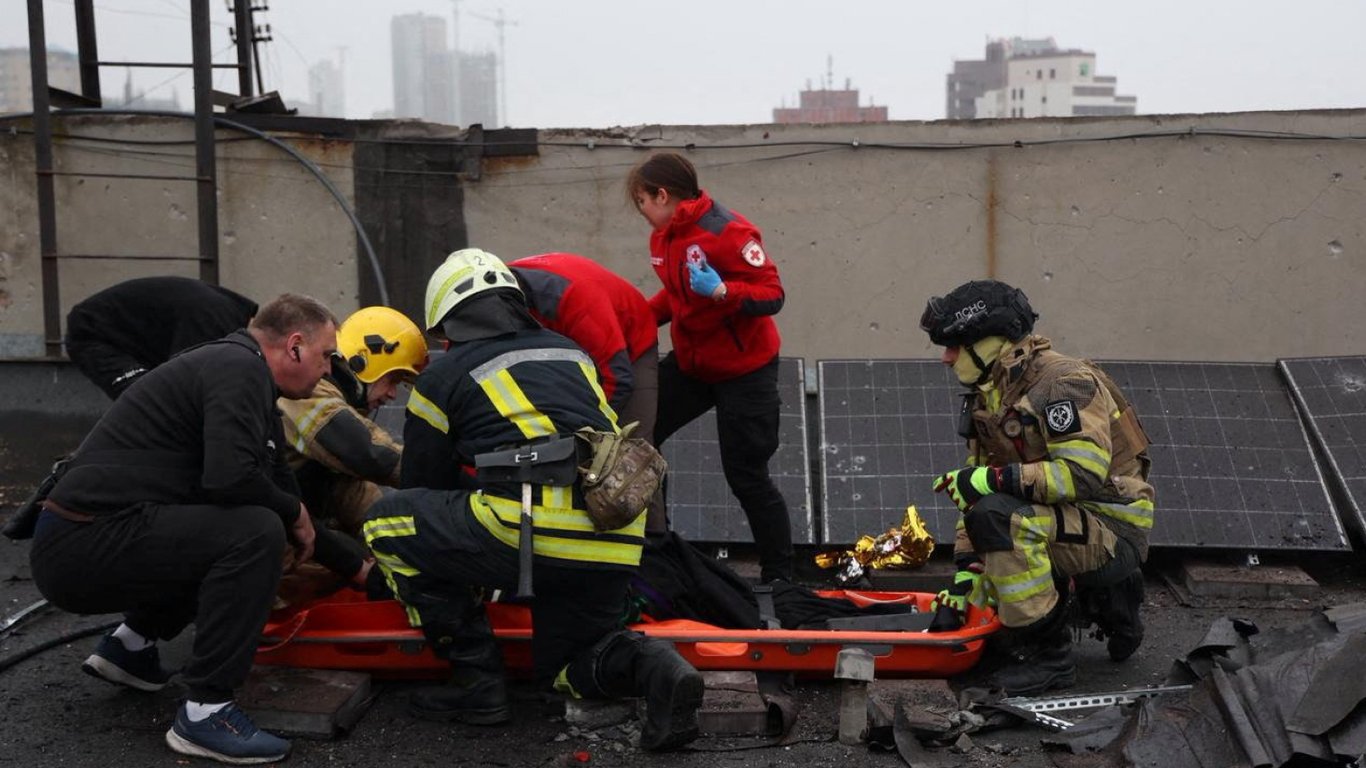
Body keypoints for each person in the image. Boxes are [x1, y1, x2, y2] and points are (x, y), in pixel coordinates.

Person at [362, 248, 703, 751]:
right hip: (614, 533)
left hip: (528, 530)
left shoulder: (443, 376)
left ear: (450, 321)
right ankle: (659, 669)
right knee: (568, 666)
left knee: (387, 523)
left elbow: (423, 485)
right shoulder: (571, 353)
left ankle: (477, 685)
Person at [30, 293, 371, 765]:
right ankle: (206, 711)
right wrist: (291, 512)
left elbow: (284, 496)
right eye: (327, 355)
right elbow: (231, 479)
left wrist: (360, 569)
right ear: (294, 346)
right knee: (254, 531)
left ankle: (130, 647)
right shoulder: (237, 368)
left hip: (85, 540)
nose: (329, 370)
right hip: (80, 543)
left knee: (242, 524)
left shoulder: (246, 380)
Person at [921, 279, 1154, 696]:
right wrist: (964, 579)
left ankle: (1049, 659)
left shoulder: (1063, 383)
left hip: (1112, 528)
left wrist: (994, 480)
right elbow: (975, 497)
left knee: (1003, 522)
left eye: (955, 346)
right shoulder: (991, 395)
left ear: (991, 342)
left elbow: (1081, 475)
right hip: (1064, 522)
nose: (946, 358)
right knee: (992, 525)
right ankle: (1110, 598)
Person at [625, 152, 793, 583]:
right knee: (641, 438)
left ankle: (780, 576)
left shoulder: (728, 232)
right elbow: (675, 294)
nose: (641, 211)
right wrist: (638, 320)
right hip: (693, 364)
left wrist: (723, 292)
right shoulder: (663, 237)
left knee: (746, 474)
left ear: (662, 196)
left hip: (745, 370)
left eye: (642, 201)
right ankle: (659, 548)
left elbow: (772, 294)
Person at [507, 252, 664, 530]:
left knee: (630, 455)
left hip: (628, 347)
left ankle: (652, 543)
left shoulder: (575, 299)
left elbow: (618, 378)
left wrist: (586, 434)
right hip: (566, 346)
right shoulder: (482, 305)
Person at [279, 306, 427, 537]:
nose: (392, 395)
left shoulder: (332, 402)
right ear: (363, 363)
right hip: (278, 537)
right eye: (392, 380)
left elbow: (354, 493)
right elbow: (368, 454)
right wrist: (440, 474)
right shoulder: (309, 396)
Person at [64, 276, 258, 399]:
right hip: (93, 334)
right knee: (151, 402)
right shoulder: (213, 323)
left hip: (136, 339)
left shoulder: (235, 316)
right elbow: (186, 383)